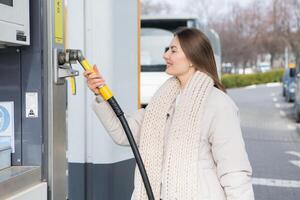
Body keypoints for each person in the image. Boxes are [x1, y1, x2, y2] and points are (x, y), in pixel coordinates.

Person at [84, 27, 254, 200]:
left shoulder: (219, 104)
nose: (166, 55)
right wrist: (100, 94)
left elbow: (234, 170)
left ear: (193, 59)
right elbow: (123, 133)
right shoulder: (162, 101)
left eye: (173, 50)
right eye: (167, 50)